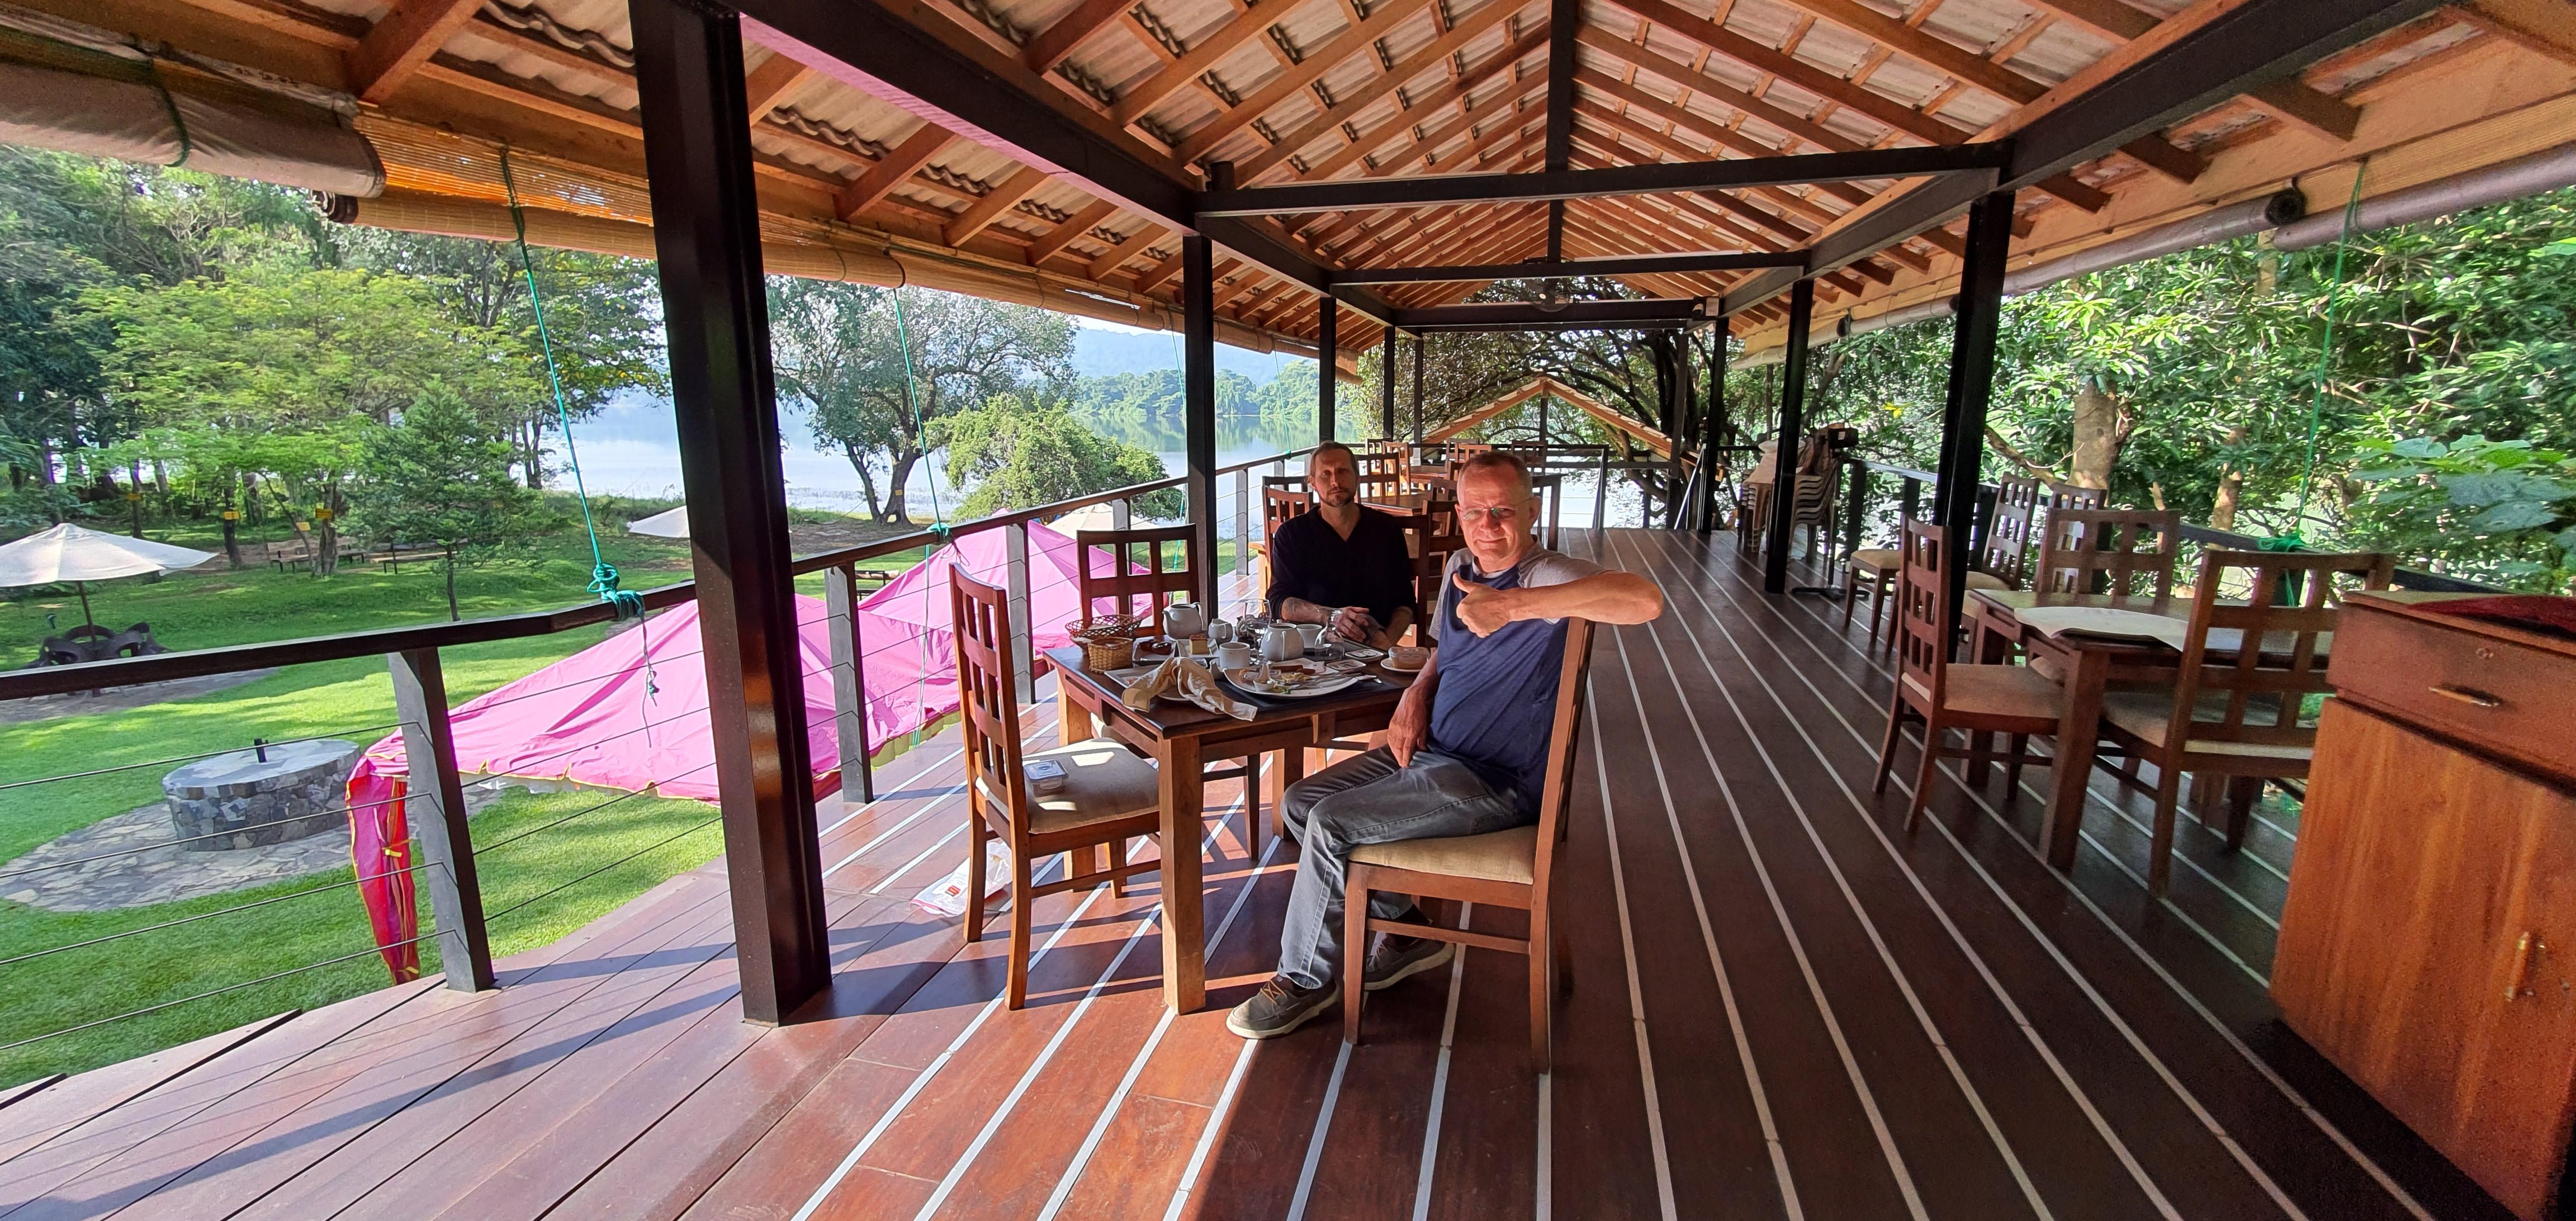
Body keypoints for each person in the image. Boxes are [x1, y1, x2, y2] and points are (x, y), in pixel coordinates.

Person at [1228, 451, 1665, 1039]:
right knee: (1300, 805)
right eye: (1476, 511)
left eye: (1504, 511)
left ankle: (1306, 980)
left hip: (1494, 780)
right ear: (1458, 515)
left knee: (1332, 824)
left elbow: (1643, 601)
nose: (1489, 525)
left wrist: (1512, 606)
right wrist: (1419, 692)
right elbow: (1446, 650)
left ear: (1532, 512)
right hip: (1433, 752)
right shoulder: (1464, 563)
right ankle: (1406, 933)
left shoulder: (1542, 574)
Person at [1264, 442, 1415, 648]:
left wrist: (1385, 646)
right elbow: (1279, 601)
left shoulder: (1387, 529)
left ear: (1357, 477)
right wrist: (1332, 616)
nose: (1335, 481)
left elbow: (1405, 602)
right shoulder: (1292, 535)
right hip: (1312, 651)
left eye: (1343, 471)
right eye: (1325, 474)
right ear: (1313, 483)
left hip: (1377, 647)